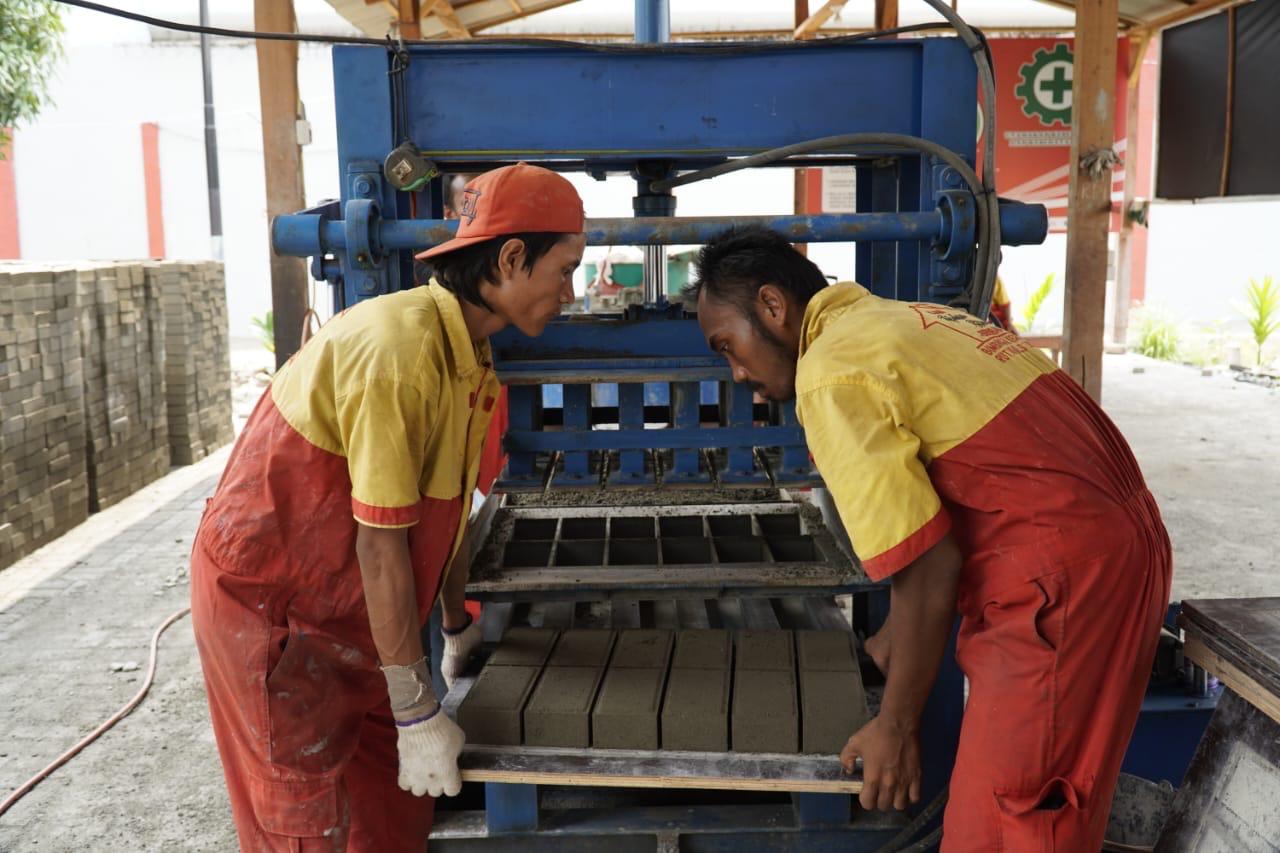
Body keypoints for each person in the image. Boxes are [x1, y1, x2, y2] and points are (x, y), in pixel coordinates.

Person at [686, 226, 1171, 852]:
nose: (735, 372)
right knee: (1056, 801)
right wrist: (899, 637)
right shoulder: (905, 320)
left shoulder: (831, 373)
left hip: (1057, 584)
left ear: (774, 308)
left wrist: (895, 726)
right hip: (1117, 550)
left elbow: (929, 564)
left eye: (728, 345)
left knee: (1002, 824)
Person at [190, 163, 586, 851]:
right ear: (514, 257)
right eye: (565, 269)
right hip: (275, 609)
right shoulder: (400, 352)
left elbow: (448, 504)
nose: (572, 294)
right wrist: (414, 707)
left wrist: (457, 623)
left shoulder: (471, 358)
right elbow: (380, 543)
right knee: (307, 817)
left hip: (356, 612)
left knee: (394, 812)